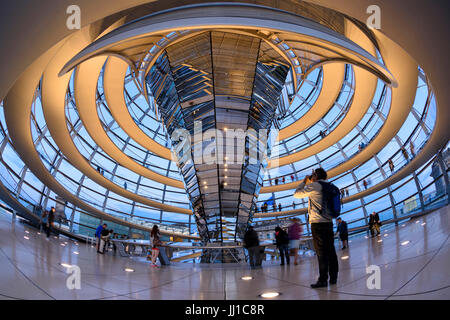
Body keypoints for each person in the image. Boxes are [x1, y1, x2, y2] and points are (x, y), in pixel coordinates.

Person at [294, 168, 338, 288]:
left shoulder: (315, 186)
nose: (311, 177)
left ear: (315, 176)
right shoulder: (329, 186)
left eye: (313, 175)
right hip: (329, 222)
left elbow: (297, 194)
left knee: (321, 252)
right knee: (331, 250)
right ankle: (333, 277)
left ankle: (323, 279)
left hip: (317, 224)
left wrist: (304, 181)